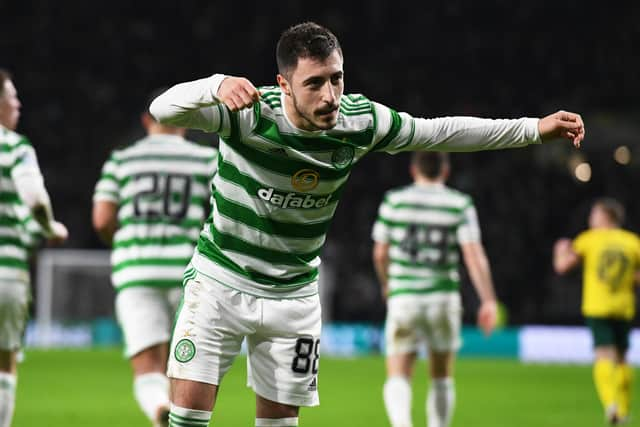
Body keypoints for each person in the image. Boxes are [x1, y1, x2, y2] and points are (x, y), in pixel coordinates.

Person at [149, 21, 585, 427]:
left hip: (295, 298)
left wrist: (532, 128)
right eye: (314, 83)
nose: (330, 96)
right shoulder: (249, 114)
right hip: (220, 283)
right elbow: (163, 110)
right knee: (186, 420)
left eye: (336, 78)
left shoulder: (360, 121)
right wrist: (215, 84)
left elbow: (438, 132)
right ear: (284, 84)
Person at [92, 92, 217, 427]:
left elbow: (102, 219)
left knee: (148, 366)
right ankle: (178, 413)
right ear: (185, 122)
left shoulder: (123, 160)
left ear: (147, 121)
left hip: (137, 272)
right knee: (184, 364)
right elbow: (225, 212)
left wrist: (126, 242)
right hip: (190, 273)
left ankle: (158, 406)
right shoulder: (205, 159)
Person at [371, 151, 497, 427]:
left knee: (399, 372)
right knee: (441, 375)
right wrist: (488, 300)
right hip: (443, 297)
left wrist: (386, 284)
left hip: (404, 297)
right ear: (445, 171)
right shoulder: (459, 204)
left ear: (413, 170)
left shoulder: (395, 201)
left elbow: (380, 253)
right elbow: (474, 256)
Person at [0, 69, 68, 427]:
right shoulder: (14, 147)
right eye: (11, 96)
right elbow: (34, 199)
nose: (18, 104)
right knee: (5, 362)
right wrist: (48, 226)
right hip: (6, 275)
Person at [553, 198, 639, 425]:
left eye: (594, 214)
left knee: (603, 356)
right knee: (622, 359)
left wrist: (559, 251)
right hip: (624, 307)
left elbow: (563, 266)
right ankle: (625, 408)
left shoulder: (589, 240)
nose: (591, 219)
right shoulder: (632, 242)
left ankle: (611, 405)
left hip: (598, 306)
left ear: (605, 217)